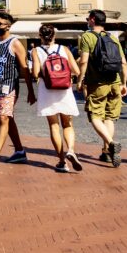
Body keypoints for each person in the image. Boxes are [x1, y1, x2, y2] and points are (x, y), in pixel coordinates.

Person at [0, 10, 35, 168]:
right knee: (7, 118)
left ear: (8, 26)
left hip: (9, 86)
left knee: (3, 118)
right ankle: (19, 151)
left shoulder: (15, 43)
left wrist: (31, 91)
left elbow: (24, 69)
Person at [77, 10, 127, 167]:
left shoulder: (87, 36)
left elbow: (84, 61)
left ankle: (111, 143)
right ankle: (107, 152)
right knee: (109, 118)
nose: (87, 21)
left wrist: (80, 80)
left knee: (95, 117)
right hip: (115, 82)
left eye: (88, 19)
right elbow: (123, 62)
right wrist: (124, 83)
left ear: (92, 20)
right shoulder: (112, 37)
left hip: (97, 84)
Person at [30, 23, 82, 173]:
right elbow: (77, 71)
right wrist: (65, 74)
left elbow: (35, 73)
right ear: (54, 36)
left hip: (47, 91)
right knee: (67, 124)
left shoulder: (36, 51)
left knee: (54, 126)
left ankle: (62, 161)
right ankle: (71, 150)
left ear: (40, 36)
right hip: (64, 91)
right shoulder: (64, 49)